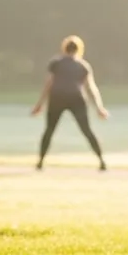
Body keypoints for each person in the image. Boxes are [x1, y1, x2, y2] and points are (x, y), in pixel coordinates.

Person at [31, 35, 109, 171]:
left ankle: (40, 161)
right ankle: (101, 161)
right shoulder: (83, 66)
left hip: (57, 98)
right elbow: (91, 88)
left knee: (49, 130)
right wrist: (99, 107)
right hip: (76, 98)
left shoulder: (55, 63)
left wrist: (40, 104)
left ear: (64, 48)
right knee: (87, 130)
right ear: (79, 50)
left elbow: (48, 84)